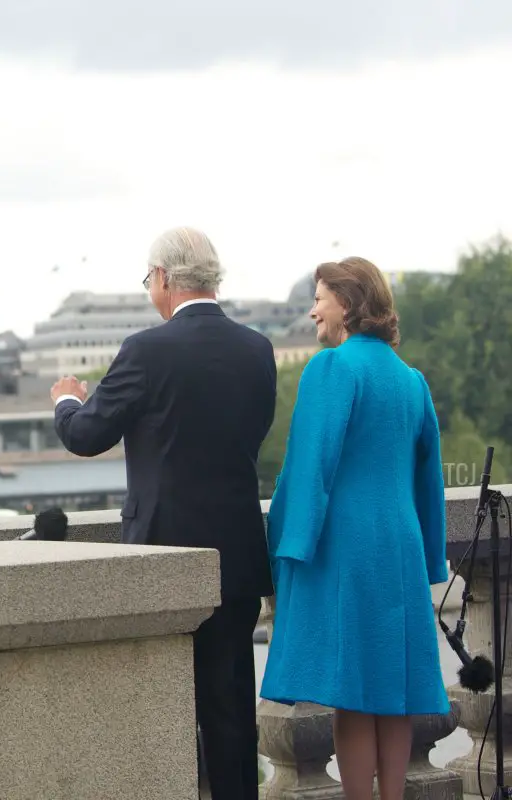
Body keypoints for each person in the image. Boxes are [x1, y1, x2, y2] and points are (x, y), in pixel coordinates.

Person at [52, 227, 277, 800]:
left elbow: (85, 435)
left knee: (165, 713)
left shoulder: (147, 351)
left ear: (163, 280)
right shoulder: (257, 349)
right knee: (230, 711)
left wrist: (66, 398)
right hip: (238, 554)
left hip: (165, 554)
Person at [260, 257, 449, 800]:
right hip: (401, 545)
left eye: (320, 297)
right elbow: (427, 480)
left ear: (348, 302)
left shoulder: (333, 368)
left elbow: (307, 468)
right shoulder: (411, 381)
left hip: (347, 548)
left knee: (353, 694)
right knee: (393, 691)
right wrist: (431, 558)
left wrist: (287, 544)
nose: (313, 310)